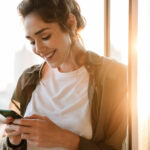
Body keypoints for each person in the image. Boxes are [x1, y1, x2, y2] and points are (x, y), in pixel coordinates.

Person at [2, 0, 127, 149]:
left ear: (70, 23)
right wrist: (13, 142)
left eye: (45, 36)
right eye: (32, 42)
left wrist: (65, 139)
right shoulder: (28, 79)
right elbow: (6, 143)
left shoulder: (114, 76)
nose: (38, 49)